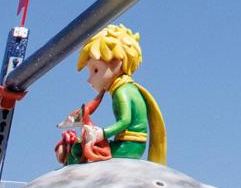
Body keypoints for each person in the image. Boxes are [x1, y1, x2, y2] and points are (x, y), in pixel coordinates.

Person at [58, 24, 167, 163]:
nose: (89, 79)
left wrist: (102, 133)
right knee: (79, 148)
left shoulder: (122, 91)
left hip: (129, 146)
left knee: (80, 150)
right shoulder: (124, 88)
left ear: (118, 63)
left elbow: (125, 120)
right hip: (126, 144)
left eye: (96, 70)